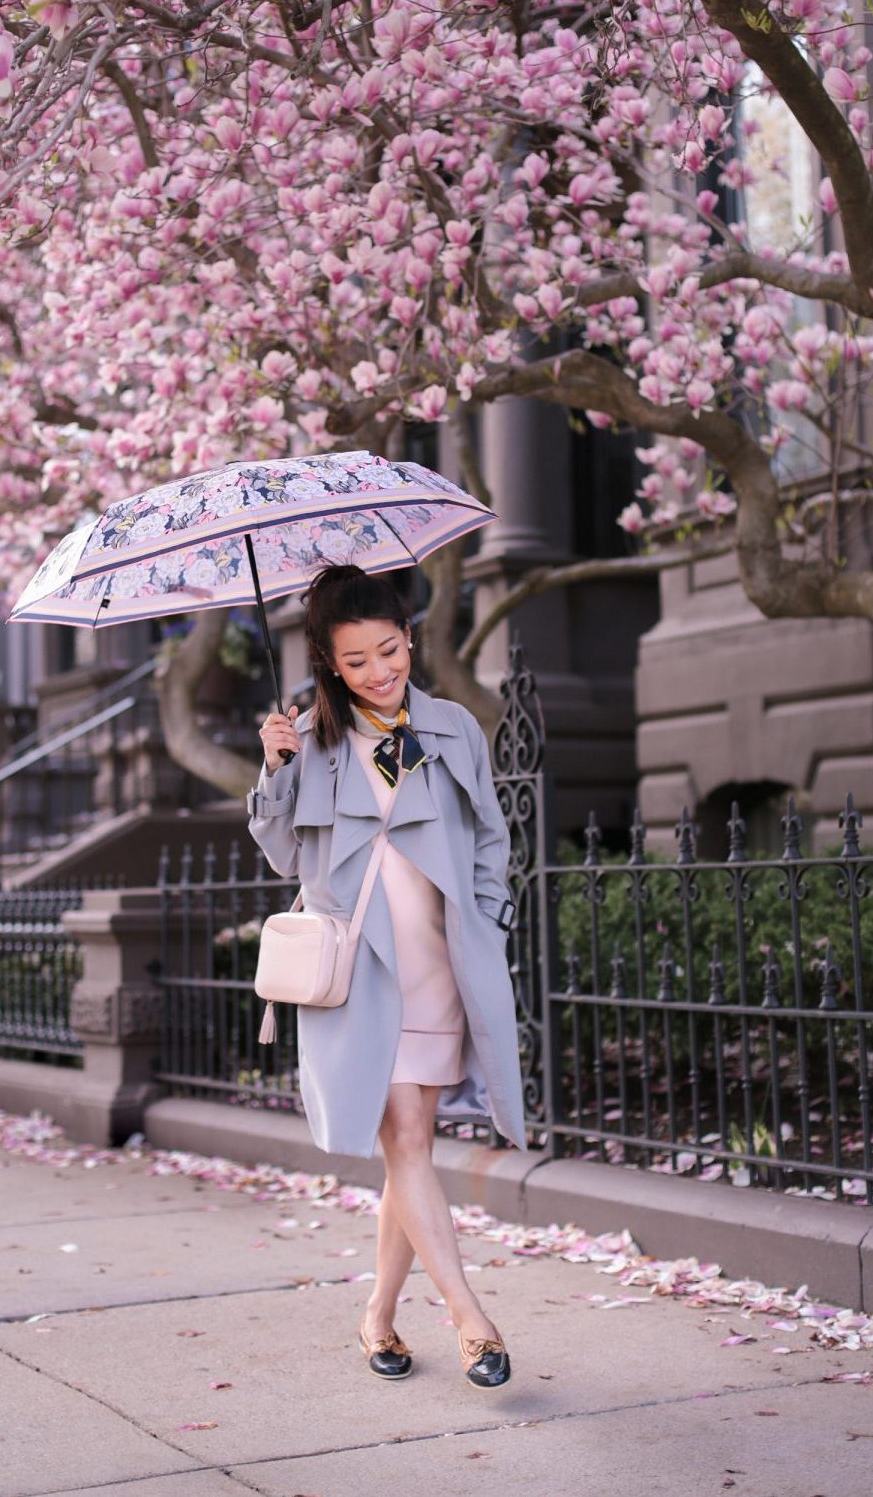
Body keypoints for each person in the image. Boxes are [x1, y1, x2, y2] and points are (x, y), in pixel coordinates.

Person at [246, 562, 527, 1391]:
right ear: (329, 664)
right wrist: (274, 768)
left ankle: (376, 1315)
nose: (378, 671)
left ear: (408, 638)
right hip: (359, 974)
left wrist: (487, 914)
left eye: (389, 650)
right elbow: (284, 856)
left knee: (411, 1151)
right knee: (404, 1139)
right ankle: (472, 1321)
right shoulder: (311, 739)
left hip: (440, 966)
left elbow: (489, 835)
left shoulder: (450, 728)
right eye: (356, 660)